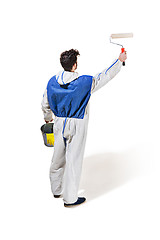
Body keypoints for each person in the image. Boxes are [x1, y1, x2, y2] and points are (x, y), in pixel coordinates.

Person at [41, 49, 127, 207]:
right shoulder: (85, 82)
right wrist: (119, 61)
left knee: (57, 157)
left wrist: (48, 119)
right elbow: (105, 76)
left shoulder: (51, 82)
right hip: (77, 123)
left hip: (59, 123)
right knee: (73, 160)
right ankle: (70, 199)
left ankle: (56, 189)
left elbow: (45, 103)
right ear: (74, 65)